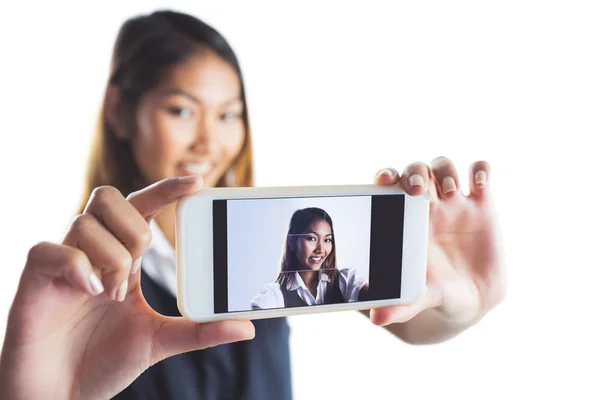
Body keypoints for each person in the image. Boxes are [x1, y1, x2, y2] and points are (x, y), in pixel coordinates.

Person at [0, 9, 507, 400]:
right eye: (181, 109)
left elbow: (407, 319)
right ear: (119, 111)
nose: (209, 141)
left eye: (228, 115)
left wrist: (459, 302)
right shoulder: (80, 289)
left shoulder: (267, 237)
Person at [251, 207, 369, 309]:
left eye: (327, 240)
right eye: (312, 238)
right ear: (292, 241)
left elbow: (377, 299)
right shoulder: (275, 295)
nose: (320, 249)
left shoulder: (346, 281)